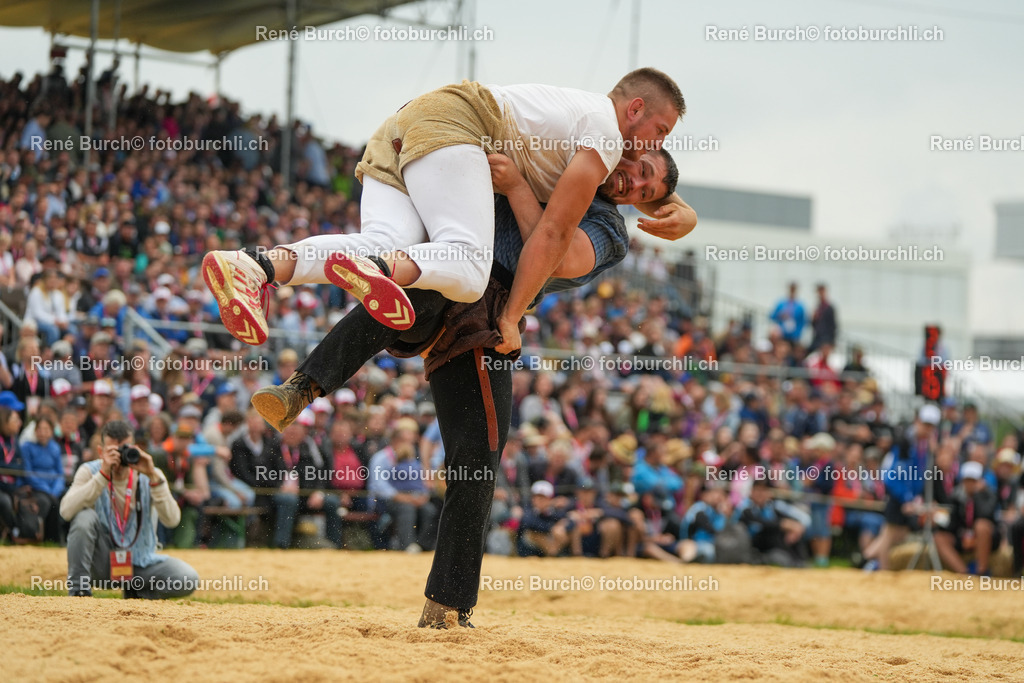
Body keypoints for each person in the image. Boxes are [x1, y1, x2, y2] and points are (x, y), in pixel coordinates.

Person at [245, 150, 683, 628]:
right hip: (444, 273)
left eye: (646, 193)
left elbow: (559, 251)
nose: (632, 186)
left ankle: (447, 606)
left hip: (488, 318)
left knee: (479, 462)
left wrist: (516, 188)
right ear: (628, 146)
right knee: (428, 285)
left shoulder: (612, 230)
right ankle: (303, 384)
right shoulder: (562, 155)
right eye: (639, 171)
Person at [202, 69, 693, 347]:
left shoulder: (589, 120)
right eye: (661, 132)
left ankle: (253, 265)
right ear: (634, 112)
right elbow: (551, 236)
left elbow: (636, 181)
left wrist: (683, 209)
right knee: (467, 266)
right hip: (457, 125)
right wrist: (509, 319)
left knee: (383, 244)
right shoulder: (606, 135)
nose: (658, 142)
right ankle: (378, 269)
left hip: (403, 126)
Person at [59, 420, 199, 598]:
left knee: (187, 578)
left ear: (135, 448)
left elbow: (172, 520)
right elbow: (65, 511)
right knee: (83, 517)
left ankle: (137, 592)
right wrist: (102, 476)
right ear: (101, 451)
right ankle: (79, 590)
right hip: (101, 564)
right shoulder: (90, 471)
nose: (120, 456)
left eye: (124, 449)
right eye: (113, 451)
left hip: (139, 562)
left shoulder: (150, 474)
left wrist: (154, 478)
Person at [934, 461, 999, 575]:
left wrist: (977, 495)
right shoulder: (956, 496)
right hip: (963, 537)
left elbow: (986, 514)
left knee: (981, 526)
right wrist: (938, 518)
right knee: (939, 537)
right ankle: (964, 573)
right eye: (967, 480)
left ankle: (981, 571)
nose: (970, 484)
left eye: (973, 480)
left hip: (985, 538)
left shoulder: (989, 495)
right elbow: (951, 524)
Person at [20, 415, 64, 542]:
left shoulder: (55, 448)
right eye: (40, 429)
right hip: (36, 488)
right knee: (49, 502)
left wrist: (55, 490)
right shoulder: (27, 447)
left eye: (46, 429)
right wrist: (46, 489)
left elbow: (59, 474)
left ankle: (60, 537)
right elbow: (28, 473)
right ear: (35, 431)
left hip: (53, 489)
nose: (43, 433)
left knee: (65, 499)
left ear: (51, 431)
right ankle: (51, 538)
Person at [808, 283, 837, 353]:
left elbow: (833, 326)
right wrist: (814, 319)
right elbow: (813, 325)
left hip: (826, 339)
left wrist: (832, 341)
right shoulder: (818, 307)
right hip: (818, 338)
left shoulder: (829, 308)